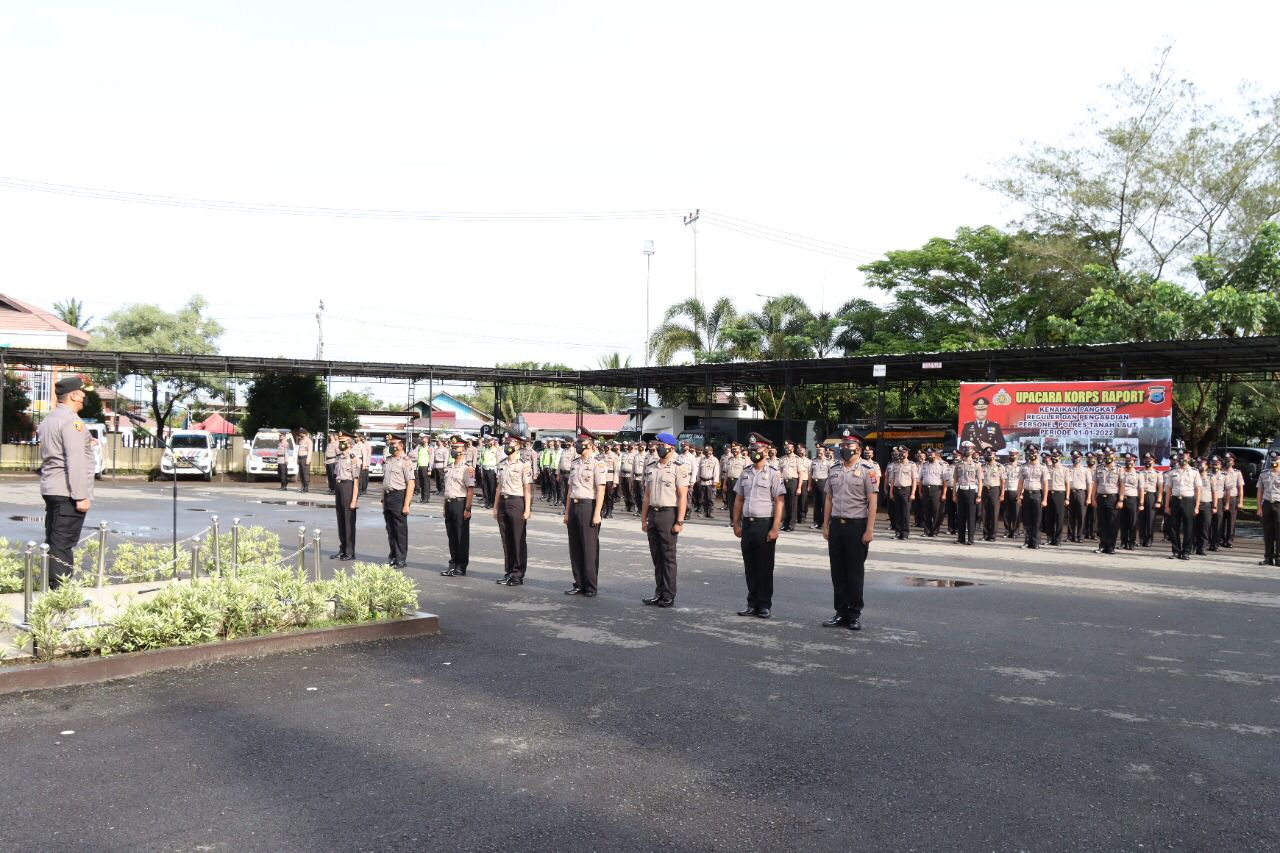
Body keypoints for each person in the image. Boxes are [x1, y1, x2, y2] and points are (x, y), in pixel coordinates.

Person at [37, 376, 95, 588]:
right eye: (82, 392)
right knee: (63, 544)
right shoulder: (72, 422)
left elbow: (57, 449)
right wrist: (81, 496)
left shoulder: (49, 419)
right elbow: (75, 461)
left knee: (53, 541)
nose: (84, 397)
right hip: (68, 492)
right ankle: (61, 596)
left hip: (52, 487)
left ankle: (51, 588)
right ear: (73, 395)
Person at [822, 430, 878, 630]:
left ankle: (854, 614)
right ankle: (840, 612)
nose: (845, 448)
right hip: (837, 525)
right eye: (843, 445)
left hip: (857, 526)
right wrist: (825, 524)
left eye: (849, 445)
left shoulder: (867, 470)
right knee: (837, 572)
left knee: (854, 572)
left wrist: (869, 529)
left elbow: (872, 501)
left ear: (859, 449)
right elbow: (829, 498)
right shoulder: (834, 469)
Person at [732, 432, 785, 618]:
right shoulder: (745, 472)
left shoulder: (773, 474)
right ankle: (751, 603)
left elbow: (779, 502)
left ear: (766, 451)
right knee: (750, 567)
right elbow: (739, 499)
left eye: (757, 450)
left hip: (764, 524)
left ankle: (764, 604)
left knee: (764, 566)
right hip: (748, 524)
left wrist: (775, 528)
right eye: (751, 449)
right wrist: (735, 523)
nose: (754, 452)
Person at [640, 432, 688, 607]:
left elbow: (683, 496)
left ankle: (668, 595)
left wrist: (679, 521)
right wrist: (644, 519)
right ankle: (658, 592)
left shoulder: (679, 466)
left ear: (671, 447)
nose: (658, 447)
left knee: (668, 557)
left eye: (661, 445)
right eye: (657, 444)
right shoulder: (652, 465)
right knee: (656, 557)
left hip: (669, 514)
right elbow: (646, 495)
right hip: (653, 513)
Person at [563, 429, 606, 596]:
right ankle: (579, 582)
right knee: (575, 547)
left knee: (589, 548)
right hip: (574, 505)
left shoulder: (598, 464)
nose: (578, 445)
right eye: (578, 442)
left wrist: (597, 513)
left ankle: (590, 585)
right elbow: (570, 490)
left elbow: (600, 490)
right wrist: (567, 512)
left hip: (589, 506)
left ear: (590, 445)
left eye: (581, 443)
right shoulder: (575, 463)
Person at [494, 431, 534, 586]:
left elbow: (527, 488)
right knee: (506, 539)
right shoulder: (502, 464)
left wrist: (527, 509)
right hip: (503, 502)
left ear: (517, 445)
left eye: (509, 443)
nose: (506, 445)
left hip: (517, 502)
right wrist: (496, 507)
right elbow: (499, 487)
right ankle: (509, 571)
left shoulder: (524, 464)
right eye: (505, 442)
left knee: (518, 539)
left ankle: (518, 573)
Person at [438, 436, 476, 577]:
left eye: (456, 448)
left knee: (461, 537)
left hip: (460, 504)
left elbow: (470, 490)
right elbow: (447, 490)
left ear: (464, 450)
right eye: (452, 448)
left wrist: (468, 509)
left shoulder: (468, 469)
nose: (453, 450)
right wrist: (444, 507)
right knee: (452, 536)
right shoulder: (449, 467)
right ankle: (453, 564)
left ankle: (461, 566)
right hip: (449, 504)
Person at [381, 440, 414, 568]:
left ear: (401, 446)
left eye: (393, 444)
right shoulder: (388, 460)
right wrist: (383, 497)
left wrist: (406, 504)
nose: (390, 446)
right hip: (388, 495)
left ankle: (401, 558)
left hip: (399, 495)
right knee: (390, 528)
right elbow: (385, 480)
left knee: (400, 529)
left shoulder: (406, 461)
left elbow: (411, 483)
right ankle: (393, 555)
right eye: (390, 444)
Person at [1166, 452, 1200, 561]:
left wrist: (1197, 506)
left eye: (1184, 458)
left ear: (1189, 459)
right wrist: (1167, 505)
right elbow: (1168, 490)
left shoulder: (1194, 472)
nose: (1181, 459)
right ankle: (1176, 551)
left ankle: (1186, 552)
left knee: (1188, 527)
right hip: (1175, 500)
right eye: (1180, 457)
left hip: (1188, 501)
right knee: (1173, 527)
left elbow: (1198, 490)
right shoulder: (1172, 472)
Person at [330, 434, 359, 561]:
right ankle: (342, 549)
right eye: (339, 442)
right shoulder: (339, 457)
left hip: (348, 486)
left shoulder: (353, 458)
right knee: (340, 519)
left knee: (348, 521)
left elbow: (356, 481)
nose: (340, 444)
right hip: (339, 486)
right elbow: (336, 474)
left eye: (343, 442)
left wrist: (354, 500)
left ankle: (350, 551)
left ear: (349, 443)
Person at [1018, 447, 1048, 549]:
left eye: (1033, 452)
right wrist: (1018, 496)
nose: (1031, 455)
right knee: (1027, 519)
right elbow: (1020, 483)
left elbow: (1045, 484)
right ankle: (1027, 541)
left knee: (1037, 520)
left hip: (1037, 495)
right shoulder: (1024, 467)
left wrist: (1044, 499)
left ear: (1037, 453)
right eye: (1029, 453)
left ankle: (1035, 542)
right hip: (1026, 494)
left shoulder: (1043, 467)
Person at [1092, 450, 1121, 555]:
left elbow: (1121, 485)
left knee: (1112, 523)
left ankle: (1111, 546)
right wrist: (1093, 498)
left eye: (1110, 455)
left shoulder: (1119, 469)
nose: (1108, 456)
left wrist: (1120, 500)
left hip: (1113, 498)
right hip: (1100, 497)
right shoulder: (1098, 468)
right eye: (1106, 455)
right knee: (1102, 523)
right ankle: (1102, 545)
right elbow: (1095, 484)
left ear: (1114, 456)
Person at [951, 442, 980, 545]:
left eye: (969, 449)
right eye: (965, 449)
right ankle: (961, 538)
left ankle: (970, 539)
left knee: (971, 516)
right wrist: (954, 494)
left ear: (973, 450)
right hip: (961, 491)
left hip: (971, 491)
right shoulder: (958, 464)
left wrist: (979, 495)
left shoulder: (977, 465)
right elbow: (955, 480)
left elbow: (980, 481)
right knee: (961, 515)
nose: (967, 450)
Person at [1258, 451, 1280, 567]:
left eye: (1276, 460)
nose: (1274, 462)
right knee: (1268, 533)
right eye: (1272, 460)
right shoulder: (1264, 474)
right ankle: (1268, 557)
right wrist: (1259, 508)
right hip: (1267, 504)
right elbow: (1260, 491)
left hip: (1279, 504)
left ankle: (1279, 558)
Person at [1219, 453, 1245, 548]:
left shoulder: (1237, 473)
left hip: (1233, 498)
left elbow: (1240, 488)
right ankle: (1220, 539)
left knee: (1231, 520)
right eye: (1225, 460)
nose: (1227, 462)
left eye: (1229, 460)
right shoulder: (1220, 472)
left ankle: (1229, 540)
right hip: (1221, 498)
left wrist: (1241, 501)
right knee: (1220, 520)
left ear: (1233, 462)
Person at [1117, 453, 1141, 550]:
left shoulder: (1138, 474)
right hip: (1122, 499)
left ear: (1134, 462)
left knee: (1132, 522)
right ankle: (1123, 542)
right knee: (1123, 522)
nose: (1128, 463)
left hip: (1133, 499)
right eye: (1126, 461)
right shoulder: (1121, 473)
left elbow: (1141, 489)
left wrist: (1141, 503)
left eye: (1130, 461)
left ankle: (1132, 542)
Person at [919, 448, 945, 537]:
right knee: (926, 511)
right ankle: (927, 531)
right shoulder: (924, 465)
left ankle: (935, 531)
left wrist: (944, 493)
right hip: (926, 489)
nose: (930, 455)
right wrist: (920, 491)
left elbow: (945, 480)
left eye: (931, 454)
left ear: (935, 454)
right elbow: (921, 479)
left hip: (937, 489)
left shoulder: (942, 465)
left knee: (936, 511)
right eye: (928, 454)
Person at [1066, 451, 1090, 543]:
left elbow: (1089, 485)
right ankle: (1070, 536)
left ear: (1080, 458)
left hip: (1081, 493)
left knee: (1081, 516)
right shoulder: (1068, 469)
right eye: (1073, 457)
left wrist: (1088, 498)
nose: (1075, 459)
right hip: (1071, 493)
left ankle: (1080, 536)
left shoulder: (1085, 470)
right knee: (1070, 516)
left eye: (1077, 457)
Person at [1138, 453, 1162, 548]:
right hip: (1141, 496)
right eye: (1146, 460)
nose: (1147, 462)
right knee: (1141, 519)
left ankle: (1149, 539)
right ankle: (1141, 538)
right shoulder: (1139, 472)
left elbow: (1160, 488)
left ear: (1154, 461)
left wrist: (1159, 500)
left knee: (1150, 519)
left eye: (1149, 461)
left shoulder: (1157, 473)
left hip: (1151, 496)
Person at [979, 450, 1003, 542]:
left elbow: (1002, 481)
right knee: (984, 513)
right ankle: (985, 535)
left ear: (994, 456)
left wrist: (1002, 494)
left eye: (989, 454)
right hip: (984, 489)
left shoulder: (1000, 467)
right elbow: (980, 480)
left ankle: (992, 535)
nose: (987, 456)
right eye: (986, 454)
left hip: (995, 490)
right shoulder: (982, 466)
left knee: (994, 513)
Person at [778, 441, 801, 532]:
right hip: (783, 482)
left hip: (793, 481)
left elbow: (800, 473)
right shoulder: (782, 459)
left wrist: (799, 487)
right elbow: (779, 472)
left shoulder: (797, 459)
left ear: (793, 448)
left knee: (792, 504)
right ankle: (785, 523)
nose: (787, 449)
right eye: (786, 447)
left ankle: (791, 524)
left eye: (789, 447)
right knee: (784, 504)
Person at [1001, 449, 1022, 539]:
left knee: (1016, 513)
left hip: (1015, 491)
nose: (1012, 457)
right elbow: (1002, 480)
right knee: (1006, 513)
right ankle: (1007, 530)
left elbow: (1022, 481)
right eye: (1010, 455)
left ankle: (1015, 531)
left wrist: (1021, 493)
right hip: (1006, 490)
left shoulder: (1021, 467)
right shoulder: (1004, 466)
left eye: (1013, 455)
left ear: (1017, 455)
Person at [696, 445, 720, 519]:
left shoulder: (715, 460)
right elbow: (699, 470)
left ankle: (710, 512)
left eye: (709, 452)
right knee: (702, 498)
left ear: (712, 452)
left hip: (710, 482)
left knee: (710, 498)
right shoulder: (702, 459)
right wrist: (698, 480)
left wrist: (715, 481)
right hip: (702, 481)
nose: (708, 453)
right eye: (706, 452)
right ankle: (703, 512)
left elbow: (716, 471)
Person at [478, 437, 498, 509]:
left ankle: (492, 502)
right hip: (484, 469)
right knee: (485, 487)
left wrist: (498, 472)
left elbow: (498, 461)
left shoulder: (495, 450)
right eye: (488, 441)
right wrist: (481, 470)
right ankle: (487, 501)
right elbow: (481, 459)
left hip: (492, 470)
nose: (489, 442)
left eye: (490, 441)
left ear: (493, 442)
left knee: (492, 487)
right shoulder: (484, 449)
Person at [414, 434, 433, 504]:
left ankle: (426, 498)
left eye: (423, 439)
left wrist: (430, 469)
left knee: (426, 484)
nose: (422, 440)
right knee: (421, 484)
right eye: (421, 439)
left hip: (426, 467)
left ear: (427, 440)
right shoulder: (420, 448)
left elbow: (431, 459)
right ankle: (422, 498)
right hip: (420, 466)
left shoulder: (429, 448)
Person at [296, 428, 313, 493]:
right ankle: (302, 486)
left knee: (305, 473)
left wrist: (308, 459)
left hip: (305, 458)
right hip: (300, 458)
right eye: (300, 433)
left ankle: (306, 487)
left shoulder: (309, 441)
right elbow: (299, 450)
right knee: (301, 473)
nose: (300, 435)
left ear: (305, 434)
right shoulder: (301, 441)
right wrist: (297, 459)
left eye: (301, 433)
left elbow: (310, 451)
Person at [324, 431, 339, 495]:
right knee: (329, 476)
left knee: (333, 476)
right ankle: (330, 488)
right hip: (327, 461)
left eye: (330, 436)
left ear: (332, 436)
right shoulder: (329, 444)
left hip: (332, 461)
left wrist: (336, 462)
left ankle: (334, 489)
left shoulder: (336, 444)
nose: (329, 437)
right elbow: (326, 453)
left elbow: (338, 453)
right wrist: (324, 461)